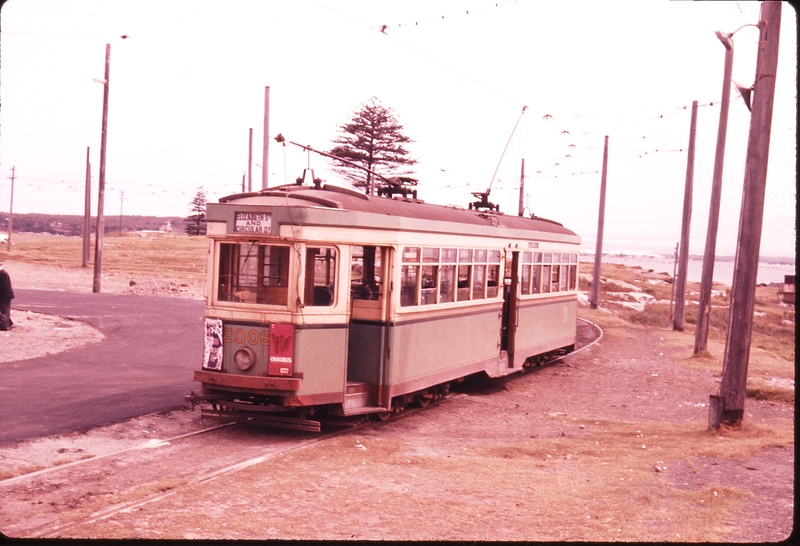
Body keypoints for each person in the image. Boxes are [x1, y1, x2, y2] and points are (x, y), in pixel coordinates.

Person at [0, 263, 13, 330]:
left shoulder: (3, 274)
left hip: (5, 296)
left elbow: (3, 286)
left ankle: (4, 326)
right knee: (4, 311)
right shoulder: (2, 273)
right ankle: (9, 323)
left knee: (4, 311)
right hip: (3, 296)